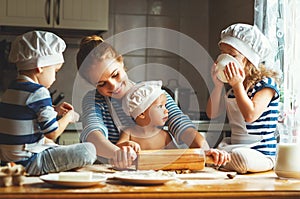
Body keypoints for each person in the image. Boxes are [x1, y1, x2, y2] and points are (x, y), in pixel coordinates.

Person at [76, 35, 230, 169]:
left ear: (121, 63)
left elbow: (181, 125)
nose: (113, 86)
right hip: (110, 174)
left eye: (115, 75)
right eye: (101, 84)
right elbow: (93, 135)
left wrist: (205, 150)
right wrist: (119, 154)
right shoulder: (94, 100)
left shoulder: (153, 93)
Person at [0, 31, 96, 176]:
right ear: (40, 67)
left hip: (8, 162)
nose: (55, 77)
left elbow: (27, 113)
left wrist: (54, 111)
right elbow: (52, 133)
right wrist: (68, 117)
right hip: (30, 162)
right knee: (88, 150)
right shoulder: (39, 92)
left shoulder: (11, 89)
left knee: (50, 146)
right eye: (55, 71)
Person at [206, 23, 281, 174]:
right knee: (220, 152)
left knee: (241, 158)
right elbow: (212, 114)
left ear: (249, 59)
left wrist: (237, 85)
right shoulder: (233, 90)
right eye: (222, 54)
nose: (225, 59)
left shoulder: (266, 85)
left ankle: (219, 161)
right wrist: (218, 86)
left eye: (232, 55)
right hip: (234, 147)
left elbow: (250, 115)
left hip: (260, 154)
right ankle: (220, 160)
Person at [117, 80, 178, 151]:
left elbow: (176, 154)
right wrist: (126, 144)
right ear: (142, 114)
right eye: (160, 106)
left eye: (165, 106)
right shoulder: (129, 133)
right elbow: (117, 148)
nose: (166, 110)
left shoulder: (165, 135)